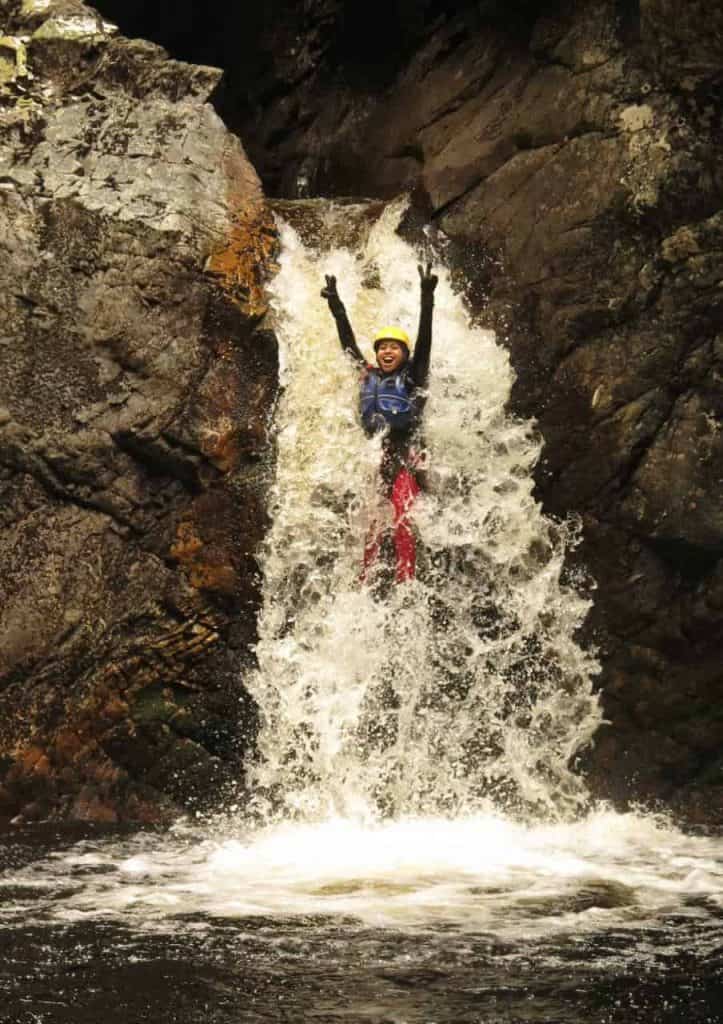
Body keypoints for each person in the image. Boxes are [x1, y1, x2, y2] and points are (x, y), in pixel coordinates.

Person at [321, 262, 438, 583]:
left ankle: (406, 582)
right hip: (377, 455)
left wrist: (427, 298)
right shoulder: (367, 373)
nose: (388, 351)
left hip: (406, 453)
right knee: (373, 521)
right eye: (383, 347)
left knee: (402, 515)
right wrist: (336, 306)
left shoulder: (412, 377)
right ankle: (366, 579)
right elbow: (348, 344)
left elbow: (425, 341)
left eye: (394, 347)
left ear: (404, 354)